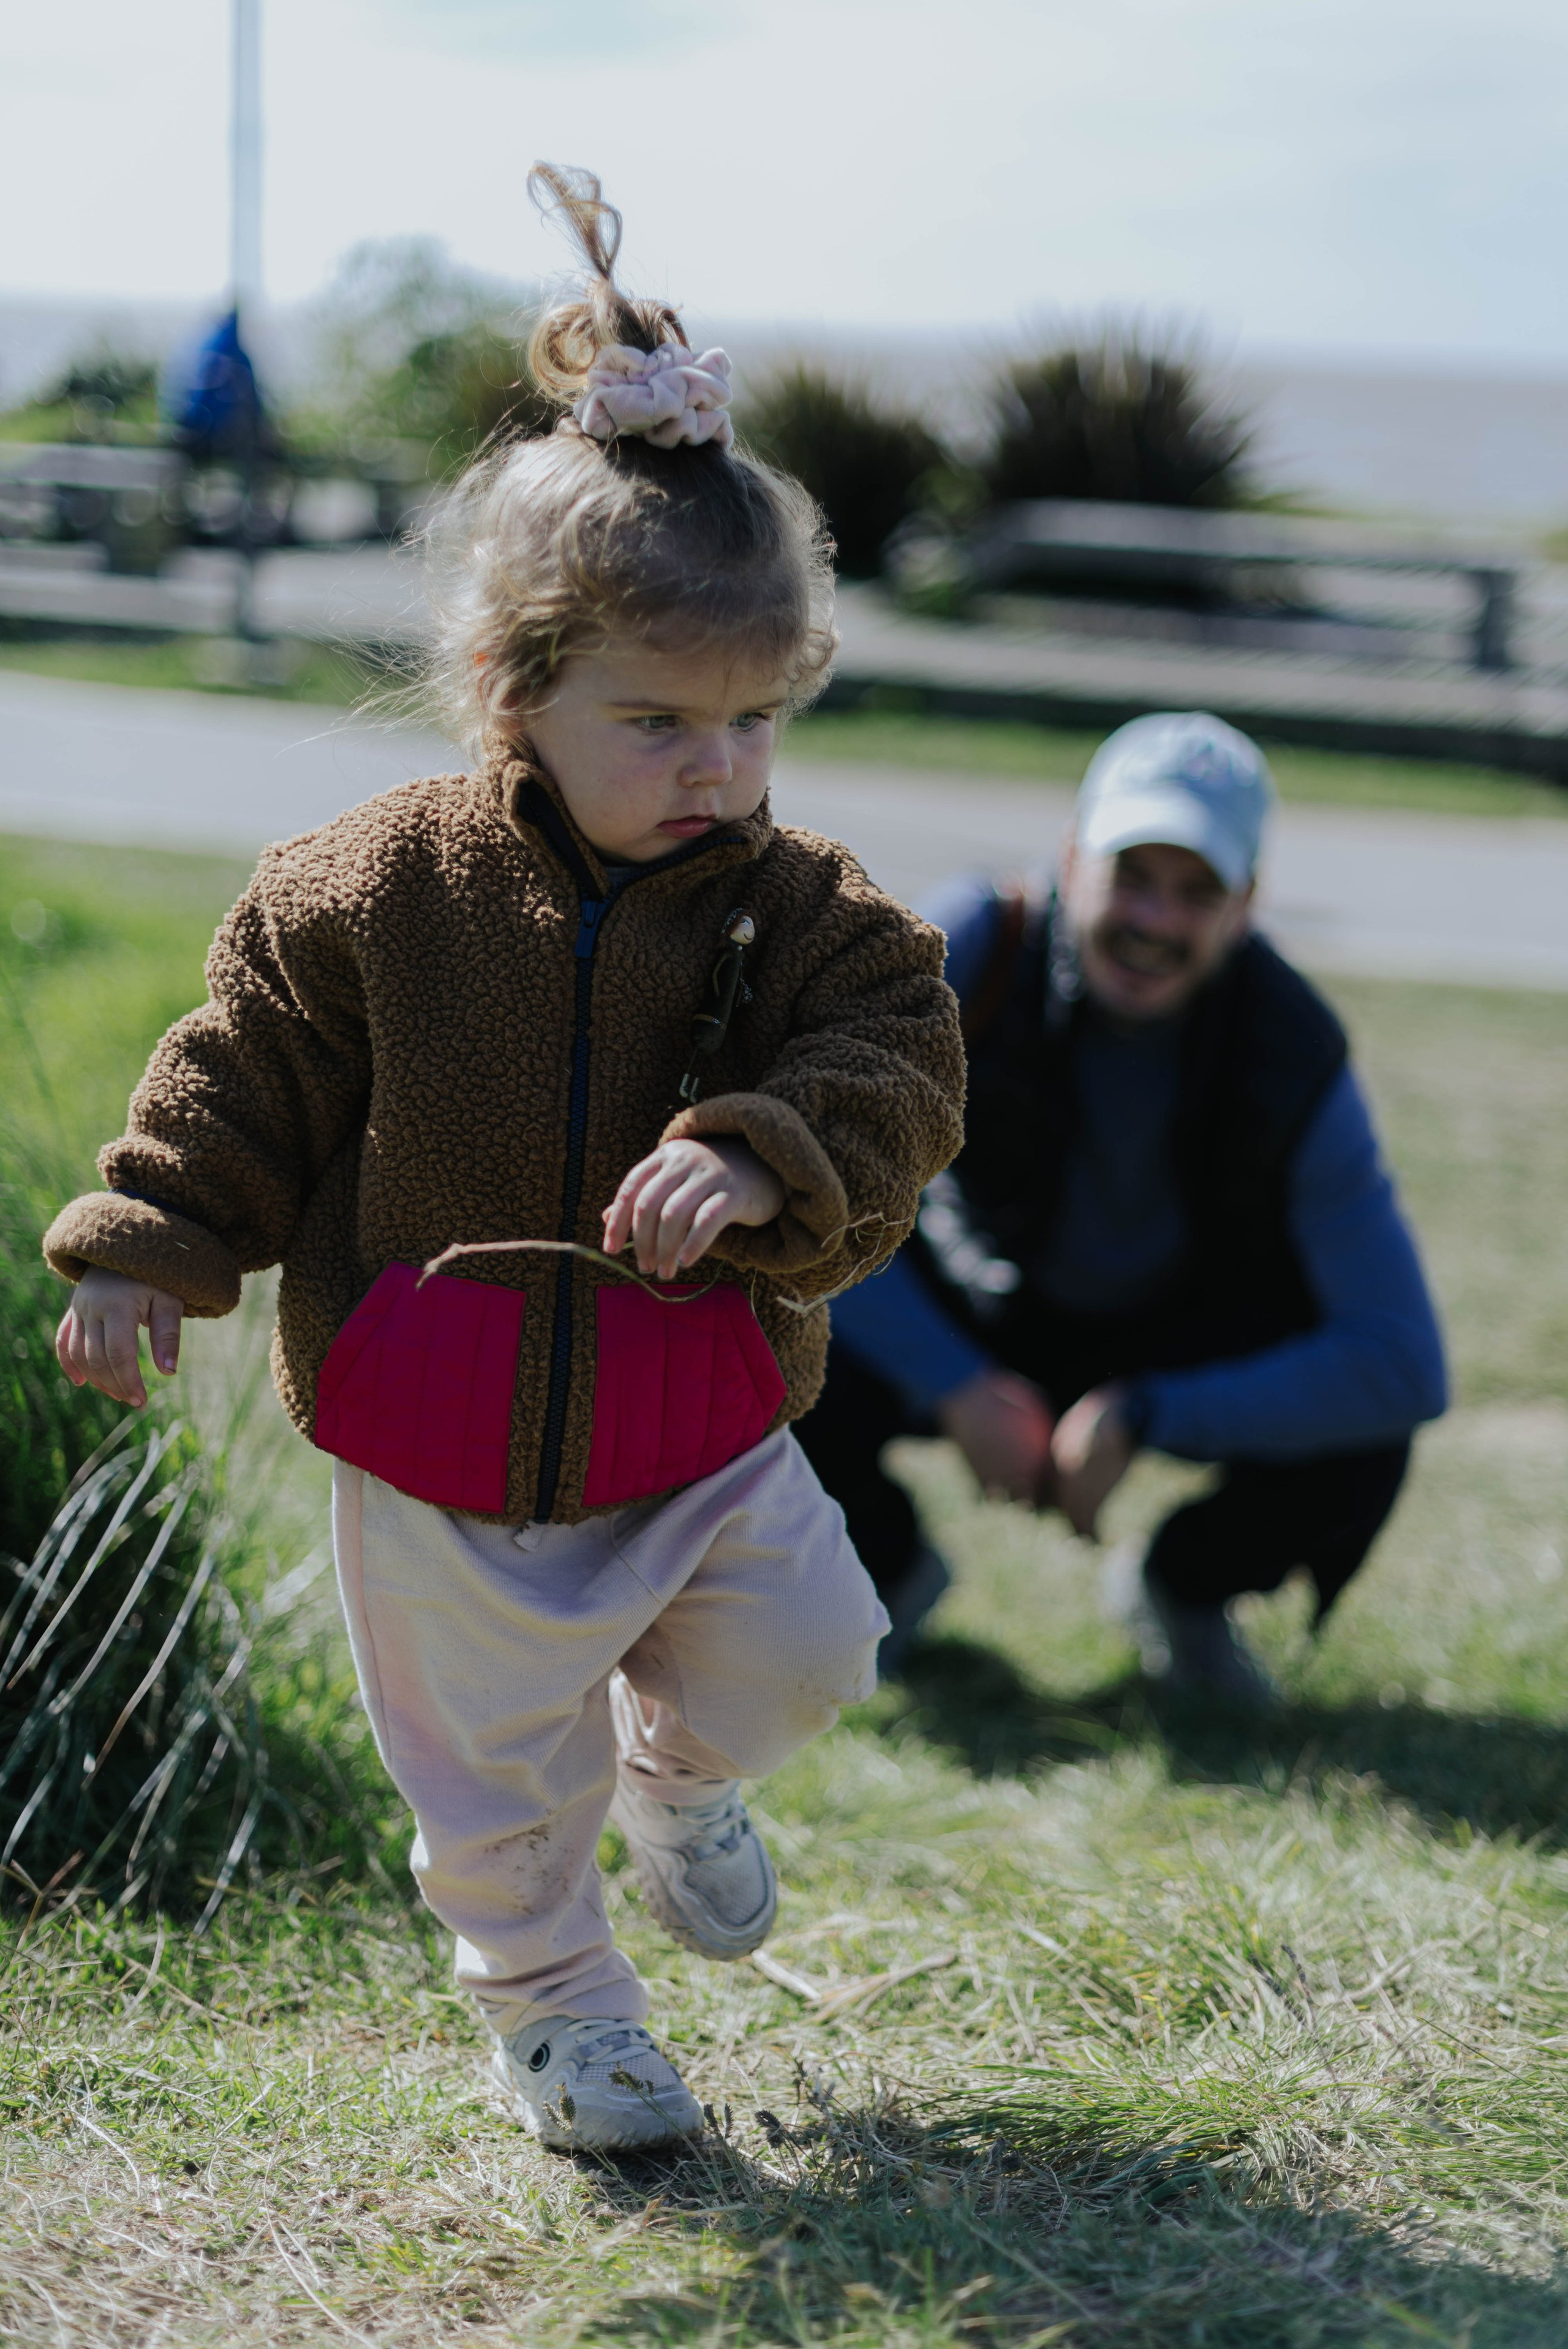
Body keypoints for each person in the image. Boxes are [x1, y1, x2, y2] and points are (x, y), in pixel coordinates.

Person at [43, 167, 964, 2155]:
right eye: (659, 719)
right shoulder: (375, 885)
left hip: (698, 1407)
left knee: (816, 1645)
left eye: (753, 721)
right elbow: (241, 1073)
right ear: (512, 692)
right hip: (438, 1422)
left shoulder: (787, 904)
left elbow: (900, 1048)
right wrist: (146, 1242)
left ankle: (685, 1770)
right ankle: (562, 2019)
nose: (716, 766)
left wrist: (762, 1145)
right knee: (486, 1771)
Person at [799, 711, 1447, 1696]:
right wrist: (957, 1381)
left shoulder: (1296, 1047)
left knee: (1363, 1434)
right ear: (1070, 860)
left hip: (1175, 1338)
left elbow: (1403, 1362)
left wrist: (1146, 1413)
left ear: (1246, 907)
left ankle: (1188, 1586)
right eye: (1131, 876)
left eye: (1197, 893)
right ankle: (882, 1572)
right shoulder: (970, 948)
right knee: (755, 1325)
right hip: (980, 1302)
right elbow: (799, 1204)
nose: (1153, 921)